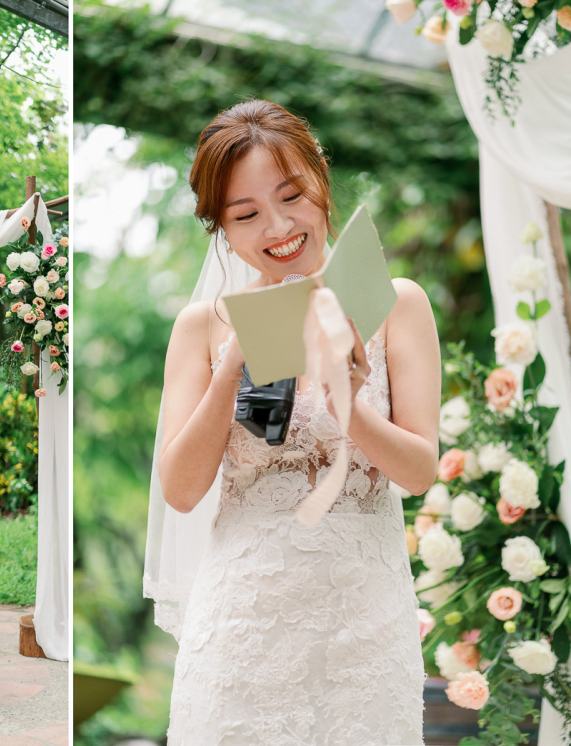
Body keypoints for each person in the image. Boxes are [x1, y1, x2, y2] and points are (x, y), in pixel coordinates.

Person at [154, 100, 440, 744]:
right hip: (244, 623)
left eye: (292, 196)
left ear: (322, 182)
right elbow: (180, 489)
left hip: (367, 623)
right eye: (246, 214)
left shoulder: (399, 305)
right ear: (222, 229)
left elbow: (420, 472)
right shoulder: (201, 327)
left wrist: (349, 405)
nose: (278, 226)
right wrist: (231, 371)